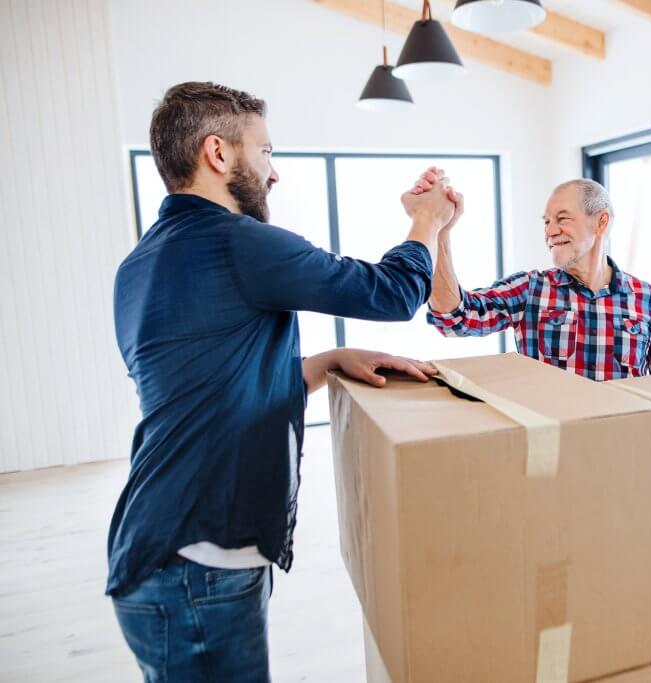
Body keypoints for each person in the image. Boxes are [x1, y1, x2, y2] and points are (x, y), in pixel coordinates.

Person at [107, 81, 455, 681]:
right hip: (200, 564)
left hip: (162, 553)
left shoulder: (140, 264)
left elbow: (209, 393)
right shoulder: (237, 243)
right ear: (218, 154)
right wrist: (426, 221)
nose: (274, 174)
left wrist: (330, 360)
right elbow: (392, 292)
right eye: (265, 152)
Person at [417, 171, 651, 382]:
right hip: (550, 452)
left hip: (623, 450)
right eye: (547, 221)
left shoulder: (650, 300)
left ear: (601, 222)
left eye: (562, 219)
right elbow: (454, 319)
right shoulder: (530, 290)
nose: (550, 231)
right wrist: (440, 230)